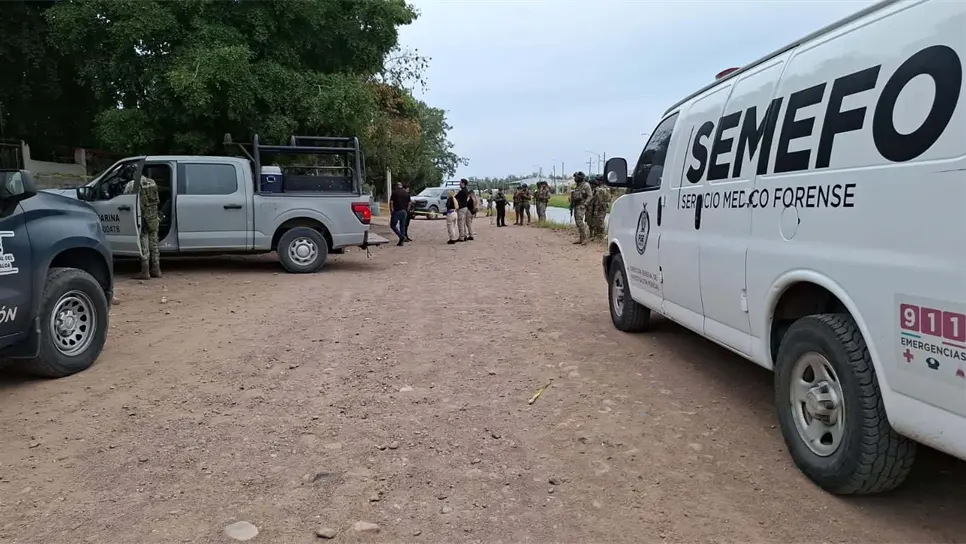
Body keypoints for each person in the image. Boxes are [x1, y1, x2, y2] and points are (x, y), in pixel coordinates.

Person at [123, 168, 162, 279]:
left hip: (143, 218)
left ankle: (145, 271)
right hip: (154, 217)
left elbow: (124, 198)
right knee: (154, 244)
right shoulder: (152, 182)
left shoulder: (132, 184)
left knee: (144, 245)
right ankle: (156, 269)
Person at [571, 171, 593, 245]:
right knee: (577, 222)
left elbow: (590, 196)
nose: (575, 179)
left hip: (581, 206)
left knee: (580, 222)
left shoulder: (586, 185)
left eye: (576, 177)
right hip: (576, 205)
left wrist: (585, 204)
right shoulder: (577, 185)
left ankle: (584, 239)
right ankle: (581, 238)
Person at [389, 182, 410, 246]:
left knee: (393, 225)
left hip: (397, 211)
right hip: (404, 212)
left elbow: (391, 202)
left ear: (396, 186)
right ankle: (401, 241)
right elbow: (409, 203)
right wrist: (407, 210)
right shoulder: (406, 193)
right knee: (402, 227)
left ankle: (401, 237)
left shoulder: (394, 192)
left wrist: (391, 211)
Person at [590, 175, 611, 239]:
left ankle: (599, 236)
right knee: (599, 222)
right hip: (603, 207)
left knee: (599, 222)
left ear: (600, 181)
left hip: (600, 208)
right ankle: (598, 236)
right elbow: (609, 199)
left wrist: (595, 210)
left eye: (597, 180)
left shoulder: (600, 189)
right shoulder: (606, 188)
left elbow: (598, 201)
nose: (595, 181)